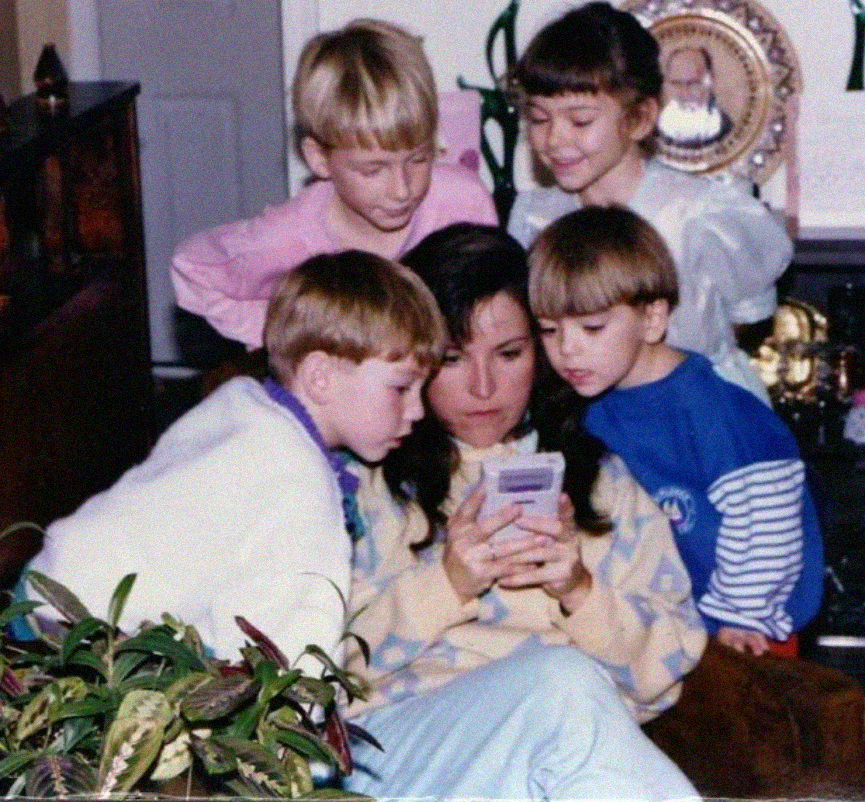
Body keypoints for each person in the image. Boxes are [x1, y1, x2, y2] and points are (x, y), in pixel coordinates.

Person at [342, 222, 706, 801]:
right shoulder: (368, 482)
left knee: (567, 697)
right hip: (399, 752)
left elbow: (663, 679)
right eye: (453, 359)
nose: (484, 387)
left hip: (548, 757)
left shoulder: (601, 480)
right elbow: (321, 675)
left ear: (541, 351)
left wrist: (580, 590)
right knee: (560, 681)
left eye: (509, 354)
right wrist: (447, 580)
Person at [26, 250, 444, 666]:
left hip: (45, 591)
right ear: (320, 377)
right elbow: (291, 657)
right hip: (94, 639)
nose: (418, 410)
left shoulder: (242, 406)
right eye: (401, 388)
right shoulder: (298, 484)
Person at [528, 205, 823, 655]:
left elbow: (769, 521)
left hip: (743, 632)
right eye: (549, 331)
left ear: (652, 319)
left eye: (591, 327)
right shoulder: (592, 407)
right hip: (658, 632)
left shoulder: (717, 411)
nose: (567, 350)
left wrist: (740, 618)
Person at [506, 0, 792, 404]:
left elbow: (751, 317)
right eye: (539, 119)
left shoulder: (698, 215)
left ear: (639, 118)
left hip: (699, 412)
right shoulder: (536, 216)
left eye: (581, 120)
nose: (554, 139)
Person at [171, 18, 498, 349]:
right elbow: (193, 267)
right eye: (373, 170)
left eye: (419, 159)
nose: (402, 190)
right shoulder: (287, 235)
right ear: (319, 159)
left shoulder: (464, 201)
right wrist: (281, 332)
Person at [658, 45, 733, 148]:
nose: (684, 93)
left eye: (693, 83)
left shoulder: (727, 131)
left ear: (710, 82)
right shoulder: (653, 131)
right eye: (676, 83)